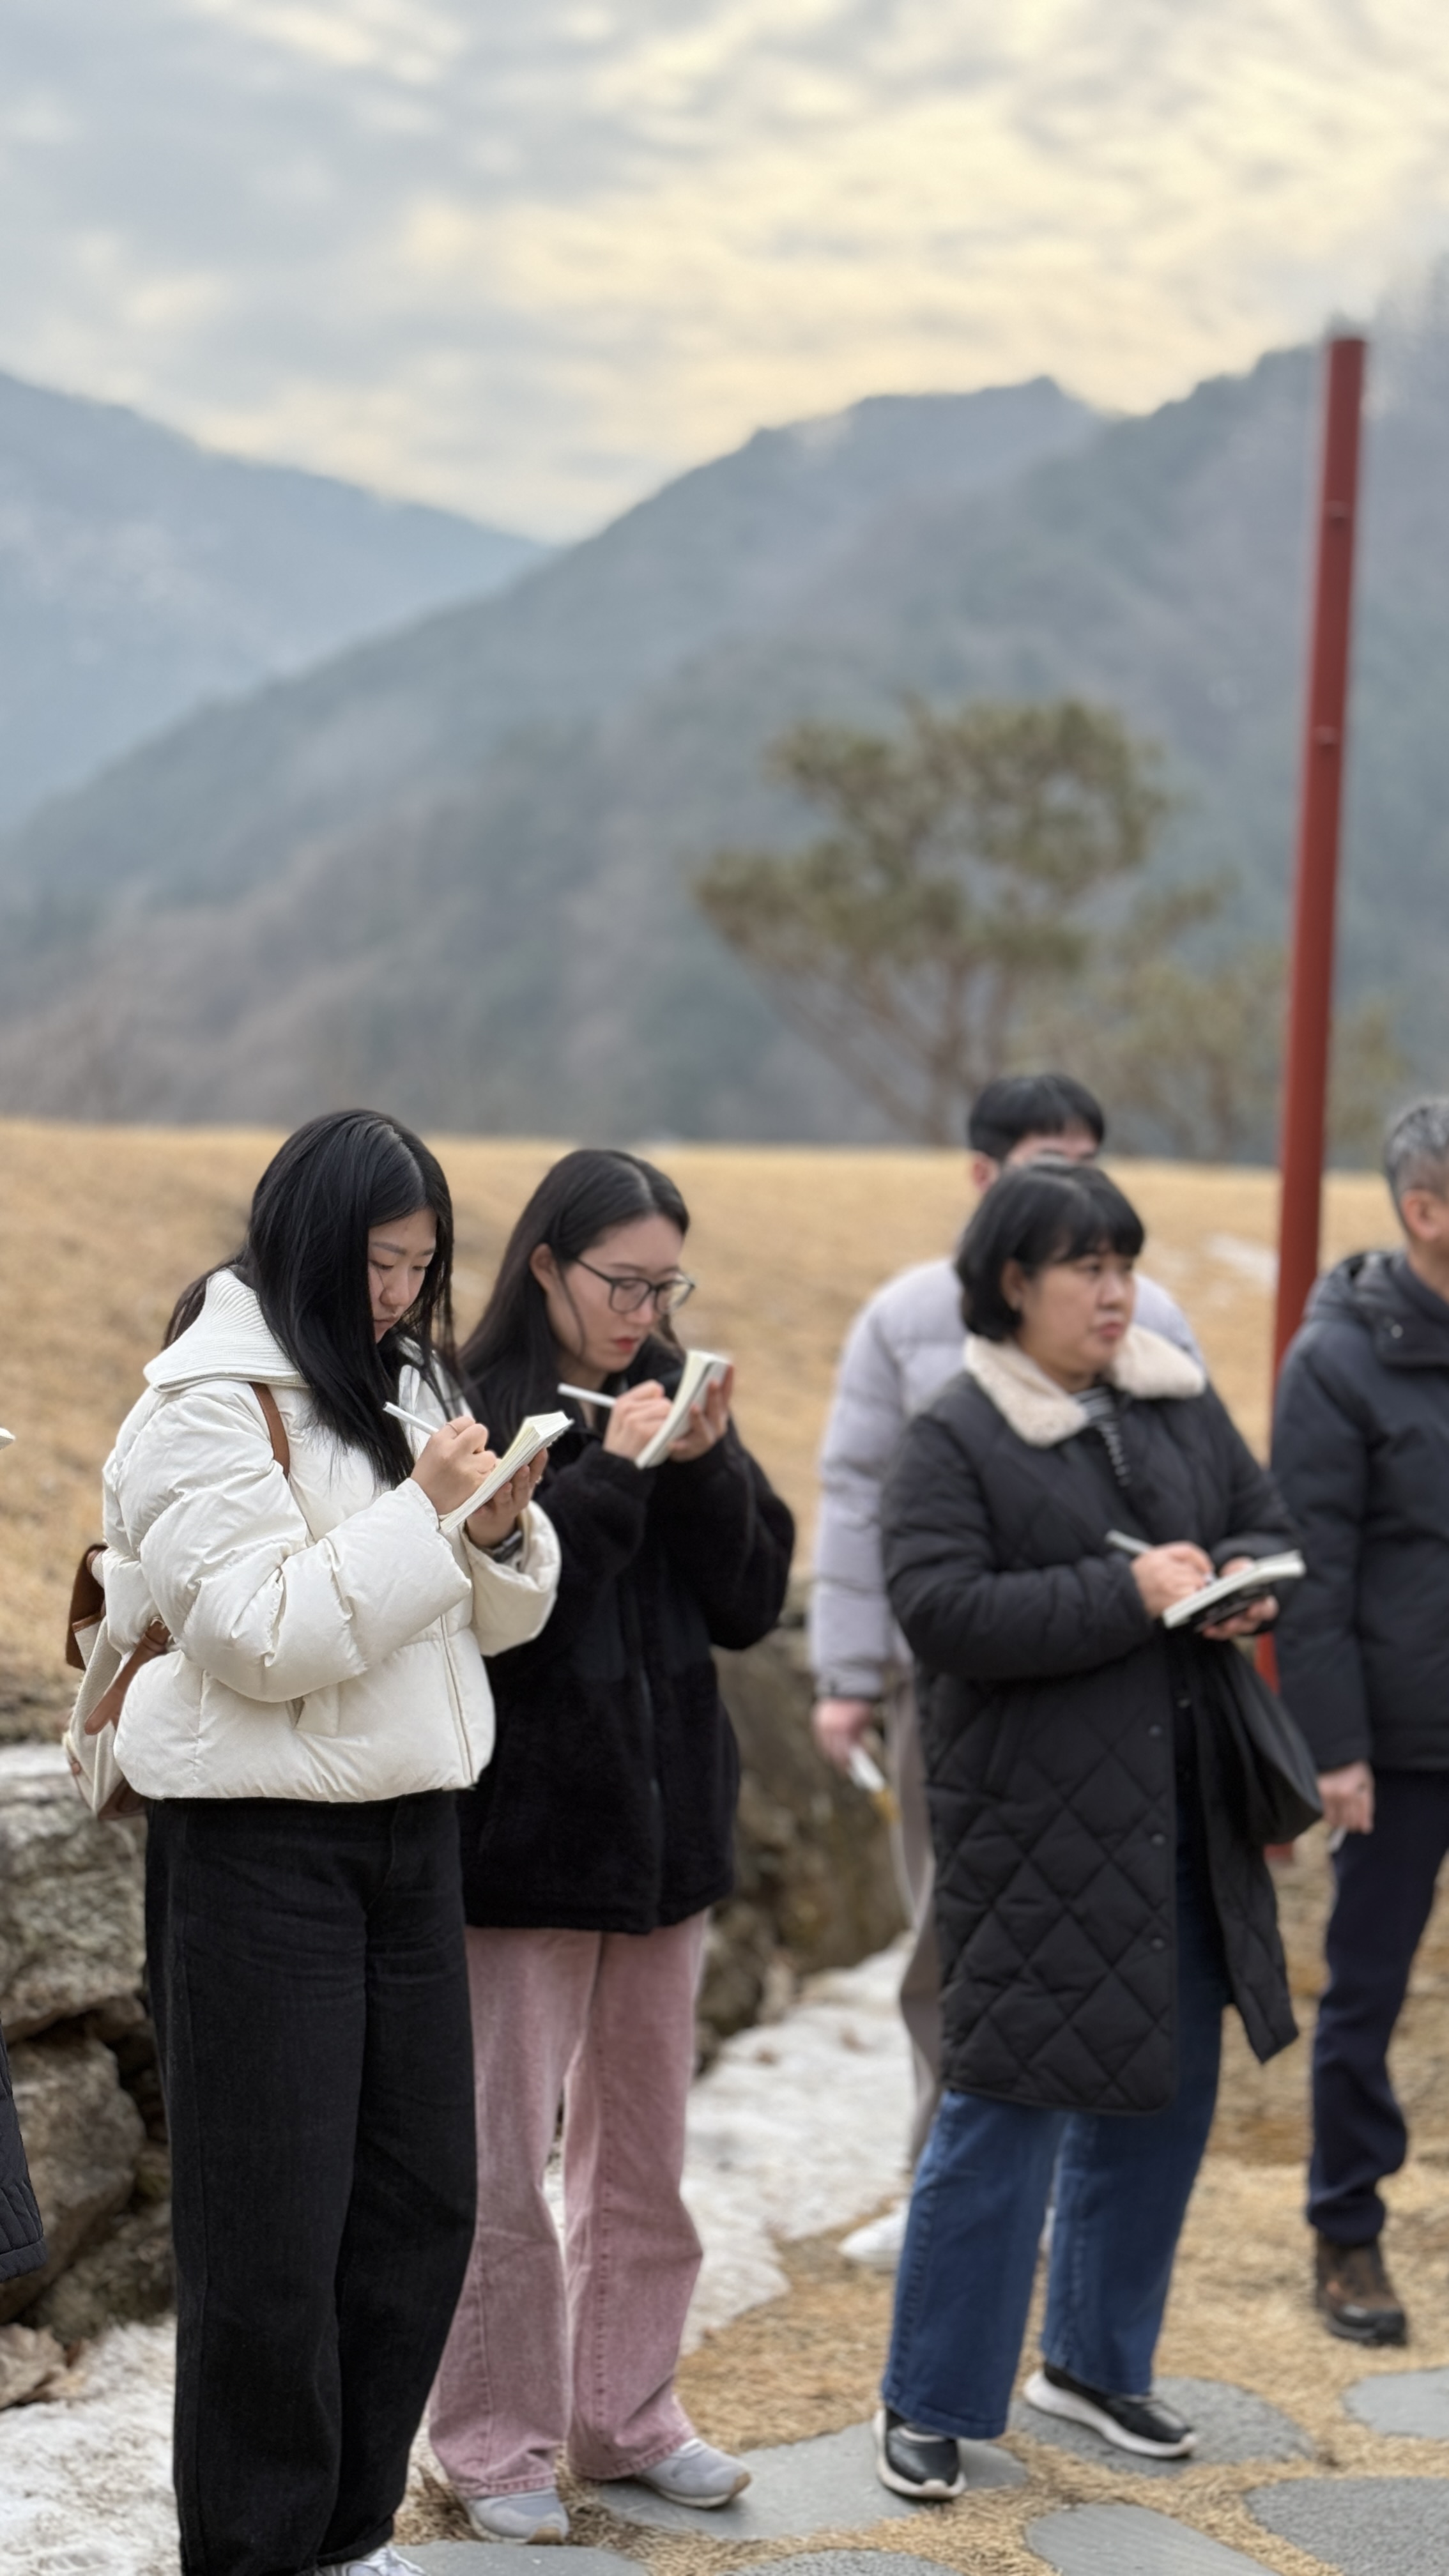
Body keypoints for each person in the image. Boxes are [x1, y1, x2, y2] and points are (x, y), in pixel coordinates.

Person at [94, 1110, 560, 2576]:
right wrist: (427, 1520)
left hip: (410, 1833)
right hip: (255, 1853)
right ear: (303, 1241)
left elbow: (482, 1624)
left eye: (421, 1266)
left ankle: (349, 2535)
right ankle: (256, 2550)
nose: (400, 1295)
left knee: (422, 2206)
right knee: (267, 2242)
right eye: (377, 1263)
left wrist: (497, 1535)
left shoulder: (408, 1377)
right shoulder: (205, 1399)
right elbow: (256, 1635)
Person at [873, 1160, 1296, 2497]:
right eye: (1088, 1269)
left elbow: (1258, 1516)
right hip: (1035, 1834)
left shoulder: (1172, 1397)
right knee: (1003, 2110)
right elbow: (940, 1611)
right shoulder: (954, 1433)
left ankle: (1097, 2364)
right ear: (1014, 1283)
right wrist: (1128, 1594)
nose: (1117, 1293)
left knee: (1164, 2095)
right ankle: (930, 2400)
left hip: (1184, 1810)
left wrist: (1246, 1582)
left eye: (1125, 1265)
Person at [430, 1147, 795, 2547]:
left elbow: (751, 1600)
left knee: (643, 2154)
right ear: (544, 1265)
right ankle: (491, 2442)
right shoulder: (476, 1410)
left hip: (666, 1840)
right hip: (522, 1847)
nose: (645, 1312)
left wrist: (705, 1465)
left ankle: (628, 2415)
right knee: (500, 2163)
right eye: (621, 1283)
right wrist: (621, 1474)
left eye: (666, 1286)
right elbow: (508, 1627)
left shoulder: (672, 1393)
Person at [810, 1072, 1201, 2262]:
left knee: (1107, 1932)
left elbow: (1200, 1486)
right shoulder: (904, 1318)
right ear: (983, 1178)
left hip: (1119, 1681)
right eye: (1046, 1167)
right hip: (956, 1686)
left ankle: (1069, 2191)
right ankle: (944, 2174)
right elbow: (856, 1497)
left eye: (1091, 1165)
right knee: (953, 1931)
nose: (1077, 1197)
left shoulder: (1153, 1317)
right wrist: (848, 1672)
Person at [1272, 1096, 1449, 2347]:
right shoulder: (1337, 1361)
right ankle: (1346, 2228)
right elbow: (1312, 1572)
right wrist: (1333, 1748)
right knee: (1368, 1990)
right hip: (1401, 1737)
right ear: (1425, 1211)